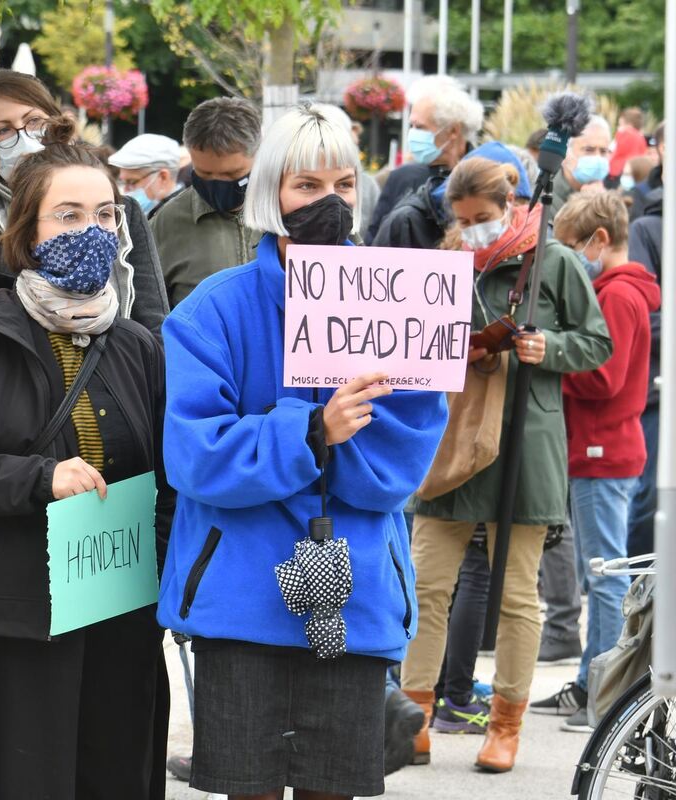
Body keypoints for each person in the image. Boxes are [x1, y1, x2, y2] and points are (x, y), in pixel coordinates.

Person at [158, 102, 449, 800]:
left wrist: (333, 439)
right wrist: (309, 432)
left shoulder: (400, 300)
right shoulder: (211, 310)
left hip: (355, 600)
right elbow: (195, 455)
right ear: (271, 193)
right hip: (240, 599)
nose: (329, 202)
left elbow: (403, 459)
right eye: (307, 185)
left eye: (343, 185)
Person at [0, 120, 172, 800]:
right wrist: (39, 478)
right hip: (12, 617)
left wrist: (162, 574)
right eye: (68, 215)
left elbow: (166, 477)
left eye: (105, 215)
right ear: (27, 232)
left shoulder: (137, 345)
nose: (91, 231)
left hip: (117, 613)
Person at [401, 157, 611, 773]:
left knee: (519, 595)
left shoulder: (555, 260)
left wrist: (550, 347)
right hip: (454, 435)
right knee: (425, 583)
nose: (472, 229)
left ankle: (505, 725)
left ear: (511, 204)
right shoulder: (447, 262)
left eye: (482, 218)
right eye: (462, 219)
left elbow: (596, 341)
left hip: (526, 438)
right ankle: (413, 717)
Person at [530, 193, 661, 732]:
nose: (568, 258)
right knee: (601, 574)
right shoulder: (619, 292)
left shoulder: (618, 296)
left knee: (604, 577)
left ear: (599, 240)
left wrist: (552, 360)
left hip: (602, 451)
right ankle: (591, 684)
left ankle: (604, 700)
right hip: (602, 448)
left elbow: (603, 376)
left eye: (571, 245)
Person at [0, 69, 169, 337]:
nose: (23, 138)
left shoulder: (121, 213)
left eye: (34, 121)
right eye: (3, 130)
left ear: (56, 126)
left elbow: (153, 324)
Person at [151, 97, 263, 308]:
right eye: (205, 173)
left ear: (259, 155)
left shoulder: (288, 210)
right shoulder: (166, 223)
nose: (218, 183)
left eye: (232, 174)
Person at [366, 75, 482, 242]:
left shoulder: (483, 176)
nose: (412, 134)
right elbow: (374, 245)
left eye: (420, 127)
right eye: (412, 126)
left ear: (453, 131)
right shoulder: (403, 178)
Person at [373, 140, 530, 250]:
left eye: (483, 219)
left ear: (509, 202)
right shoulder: (450, 249)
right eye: (464, 222)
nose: (475, 230)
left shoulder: (535, 253)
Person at [625, 120, 664, 558]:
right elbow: (643, 317)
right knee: (650, 494)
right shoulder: (648, 227)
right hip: (657, 390)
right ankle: (635, 585)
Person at [108, 133, 184, 217]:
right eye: (123, 182)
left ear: (163, 177)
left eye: (132, 182)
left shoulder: (177, 217)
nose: (125, 190)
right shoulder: (155, 213)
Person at [553, 115, 612, 213]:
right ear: (565, 153)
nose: (597, 158)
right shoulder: (546, 198)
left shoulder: (609, 197)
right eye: (589, 150)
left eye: (603, 151)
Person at [609, 107, 648, 185]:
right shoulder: (641, 137)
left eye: (620, 124)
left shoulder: (624, 132)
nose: (619, 126)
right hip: (635, 173)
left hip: (618, 172)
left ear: (628, 123)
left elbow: (613, 151)